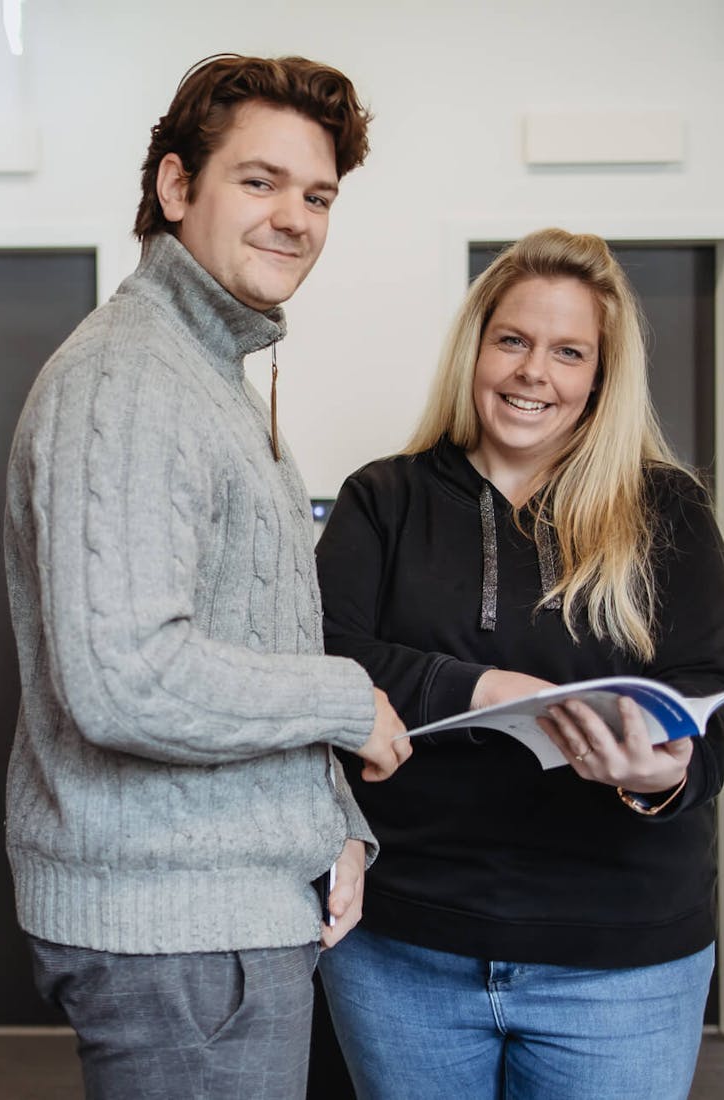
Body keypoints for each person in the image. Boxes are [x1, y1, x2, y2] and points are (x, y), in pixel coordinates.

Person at [3, 53, 410, 1100]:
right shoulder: (130, 378)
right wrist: (345, 700)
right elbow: (126, 677)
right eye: (260, 181)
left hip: (226, 920)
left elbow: (251, 646)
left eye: (317, 194)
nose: (297, 217)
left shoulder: (207, 375)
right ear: (178, 187)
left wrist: (338, 827)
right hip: (178, 939)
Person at [316, 227, 724, 1100]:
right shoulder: (382, 499)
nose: (535, 372)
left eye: (569, 352)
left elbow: (710, 690)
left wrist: (662, 776)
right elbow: (328, 656)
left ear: (600, 379)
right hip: (404, 951)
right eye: (513, 340)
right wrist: (482, 688)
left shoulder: (670, 511)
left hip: (622, 966)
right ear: (476, 349)